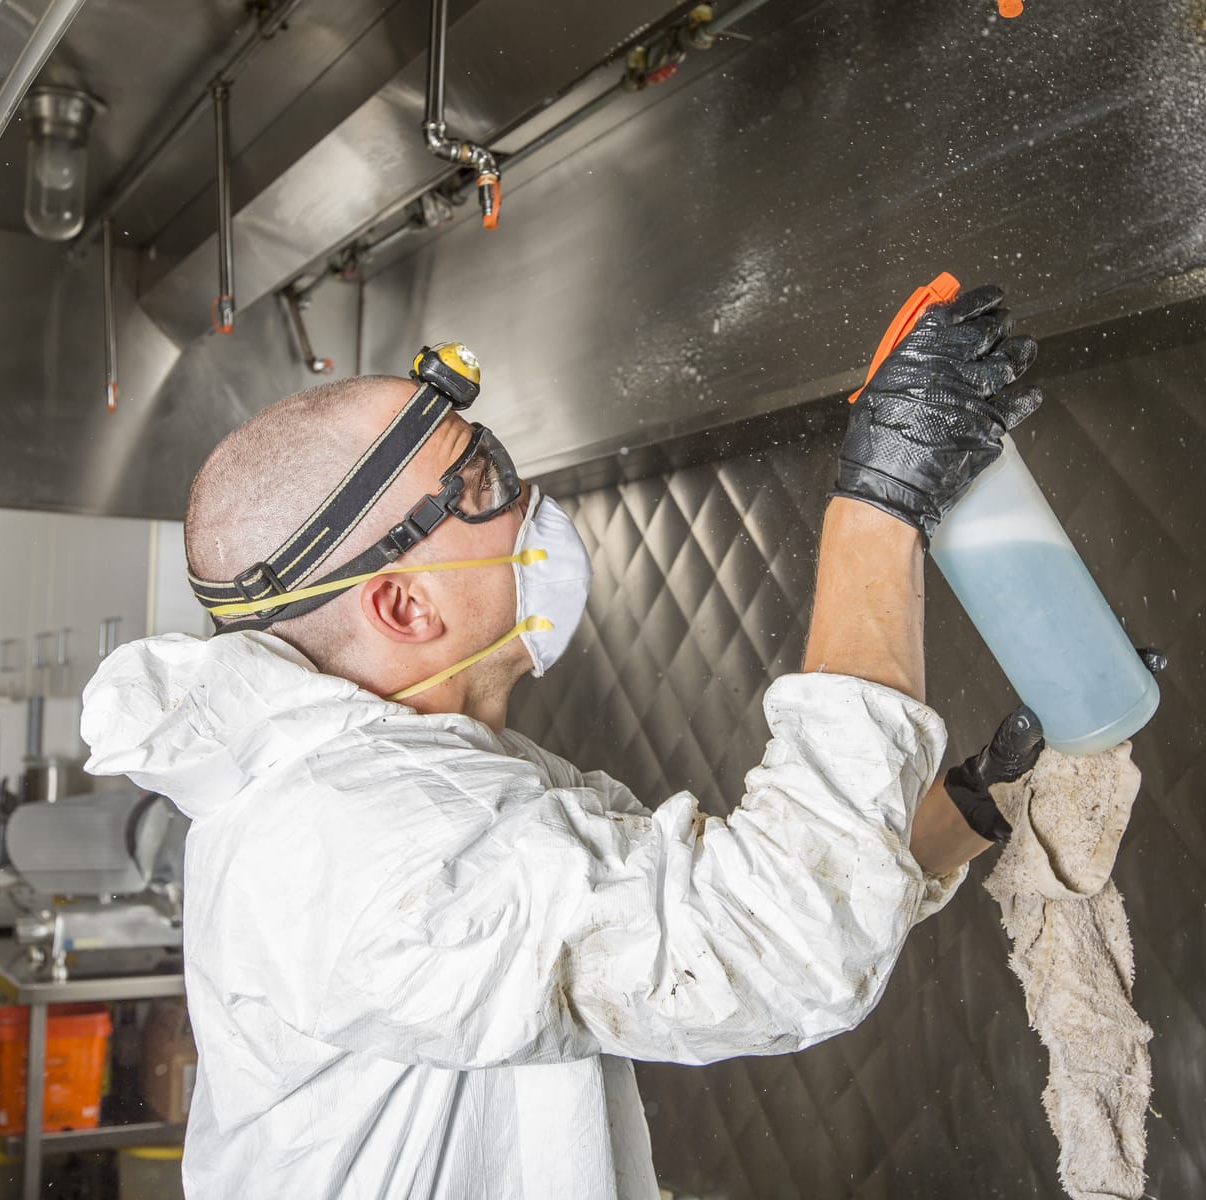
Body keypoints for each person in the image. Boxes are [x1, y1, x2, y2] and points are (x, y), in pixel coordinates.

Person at [81, 284, 1133, 1198]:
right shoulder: (357, 841)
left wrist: (967, 811)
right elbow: (773, 950)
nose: (528, 507)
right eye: (480, 486)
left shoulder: (412, 782)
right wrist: (880, 504)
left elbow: (714, 911)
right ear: (405, 609)